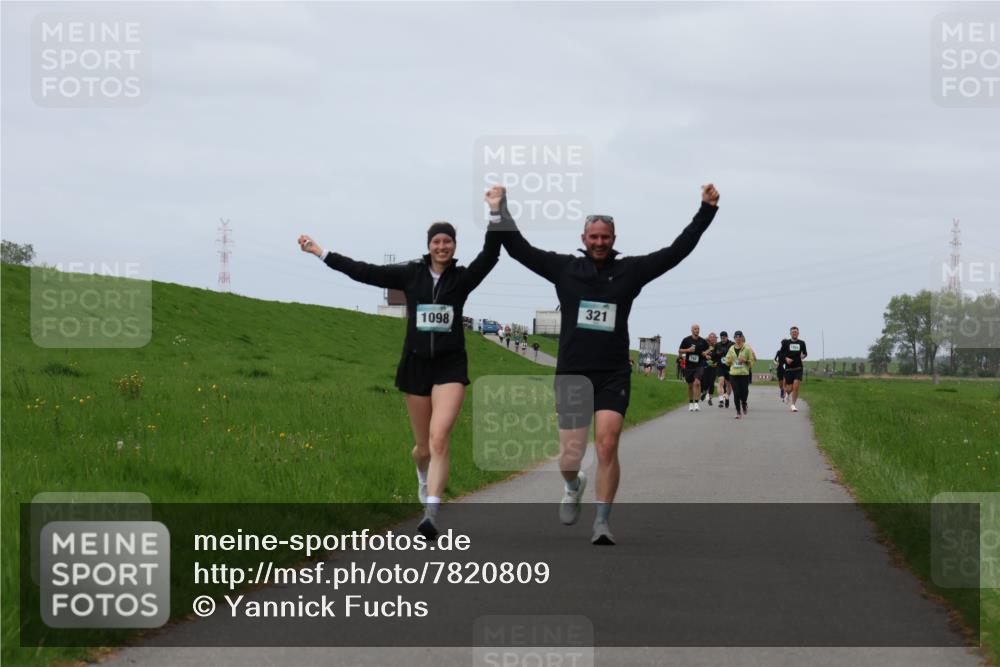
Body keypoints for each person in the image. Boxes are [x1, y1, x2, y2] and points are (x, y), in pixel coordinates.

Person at [495, 183, 720, 545]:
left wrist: (706, 210)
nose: (600, 242)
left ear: (614, 239)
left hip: (613, 373)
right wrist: (500, 209)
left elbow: (677, 251)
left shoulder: (630, 271)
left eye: (606, 237)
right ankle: (573, 485)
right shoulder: (565, 269)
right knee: (570, 457)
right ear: (583, 238)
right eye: (594, 236)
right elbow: (518, 248)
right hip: (572, 374)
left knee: (607, 444)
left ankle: (602, 521)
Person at [297, 187, 503, 540]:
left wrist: (497, 213)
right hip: (416, 365)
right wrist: (321, 252)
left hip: (451, 366)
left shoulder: (462, 279)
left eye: (448, 242)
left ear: (454, 246)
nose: (442, 247)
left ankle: (431, 513)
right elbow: (364, 271)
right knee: (423, 448)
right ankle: (422, 476)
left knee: (440, 440)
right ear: (429, 246)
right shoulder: (410, 275)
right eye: (437, 242)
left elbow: (492, 254)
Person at [723, 330, 756, 419]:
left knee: (744, 392)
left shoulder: (747, 348)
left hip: (744, 374)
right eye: (736, 337)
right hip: (733, 374)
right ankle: (738, 412)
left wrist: (745, 361)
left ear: (742, 338)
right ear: (734, 338)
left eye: (739, 337)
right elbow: (727, 361)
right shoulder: (731, 348)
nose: (738, 338)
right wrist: (728, 361)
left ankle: (744, 403)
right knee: (736, 393)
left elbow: (752, 361)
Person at [678, 324, 710, 412]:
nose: (697, 330)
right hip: (689, 365)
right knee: (690, 386)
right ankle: (691, 403)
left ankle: (696, 403)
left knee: (697, 382)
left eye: (698, 329)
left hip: (699, 365)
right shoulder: (686, 340)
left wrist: (705, 353)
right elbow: (680, 350)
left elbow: (708, 349)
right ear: (692, 330)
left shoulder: (702, 341)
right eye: (695, 329)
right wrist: (688, 350)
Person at [780, 326, 808, 412]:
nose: (794, 333)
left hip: (798, 368)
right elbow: (781, 354)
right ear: (790, 333)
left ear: (798, 333)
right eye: (793, 332)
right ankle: (786, 394)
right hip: (789, 369)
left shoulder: (802, 343)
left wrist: (803, 356)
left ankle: (793, 405)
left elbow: (805, 353)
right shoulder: (786, 343)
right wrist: (786, 359)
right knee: (789, 388)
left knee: (796, 386)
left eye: (796, 332)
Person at [714, 331, 733, 408]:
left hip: (729, 367)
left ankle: (727, 397)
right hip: (720, 367)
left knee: (729, 385)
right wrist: (716, 354)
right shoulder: (717, 345)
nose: (723, 339)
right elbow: (713, 355)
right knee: (721, 381)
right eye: (721, 338)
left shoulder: (732, 344)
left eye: (724, 337)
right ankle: (721, 400)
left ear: (727, 337)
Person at [702, 332, 719, 405]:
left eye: (714, 337)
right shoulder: (704, 345)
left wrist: (716, 363)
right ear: (708, 338)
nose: (713, 339)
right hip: (705, 366)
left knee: (712, 382)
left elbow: (720, 356)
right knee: (705, 382)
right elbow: (702, 354)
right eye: (711, 337)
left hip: (714, 366)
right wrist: (707, 352)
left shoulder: (718, 346)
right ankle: (704, 391)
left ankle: (710, 398)